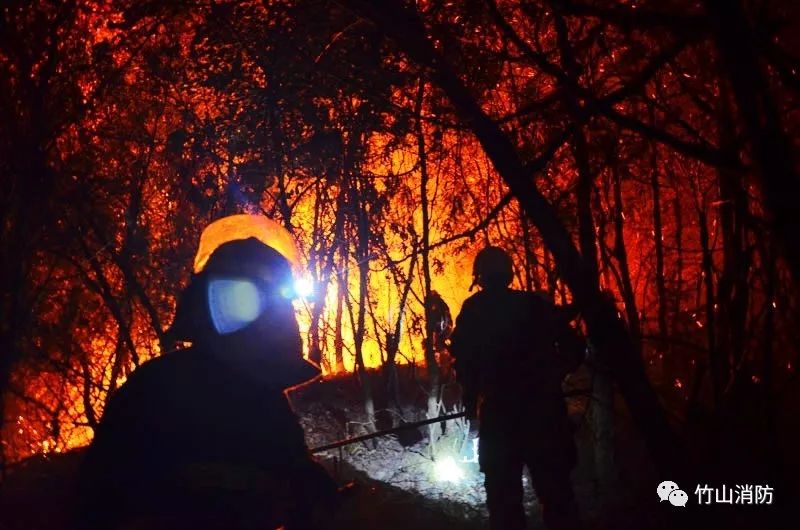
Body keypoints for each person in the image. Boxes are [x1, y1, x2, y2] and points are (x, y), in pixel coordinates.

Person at [77, 216, 338, 530]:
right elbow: (97, 499)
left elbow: (291, 474)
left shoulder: (265, 400)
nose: (256, 314)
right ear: (208, 301)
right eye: (239, 297)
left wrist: (310, 485)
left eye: (267, 300)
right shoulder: (155, 390)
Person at [449, 246, 585, 530]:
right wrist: (555, 375)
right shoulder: (534, 305)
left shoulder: (474, 311)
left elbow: (465, 365)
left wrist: (471, 406)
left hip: (500, 420)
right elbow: (574, 346)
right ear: (509, 273)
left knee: (505, 506)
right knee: (557, 499)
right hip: (544, 416)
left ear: (480, 276)